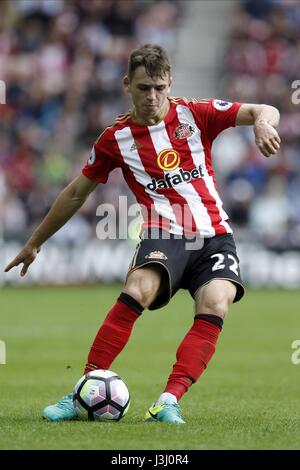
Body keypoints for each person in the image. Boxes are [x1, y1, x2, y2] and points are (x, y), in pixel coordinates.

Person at [5, 44, 281, 424]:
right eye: (143, 88)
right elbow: (75, 193)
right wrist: (35, 242)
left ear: (169, 84)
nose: (152, 96)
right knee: (138, 289)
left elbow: (263, 110)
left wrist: (264, 122)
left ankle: (168, 401)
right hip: (164, 233)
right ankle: (82, 389)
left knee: (217, 303)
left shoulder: (196, 114)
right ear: (126, 85)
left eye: (158, 87)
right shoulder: (115, 138)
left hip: (215, 235)